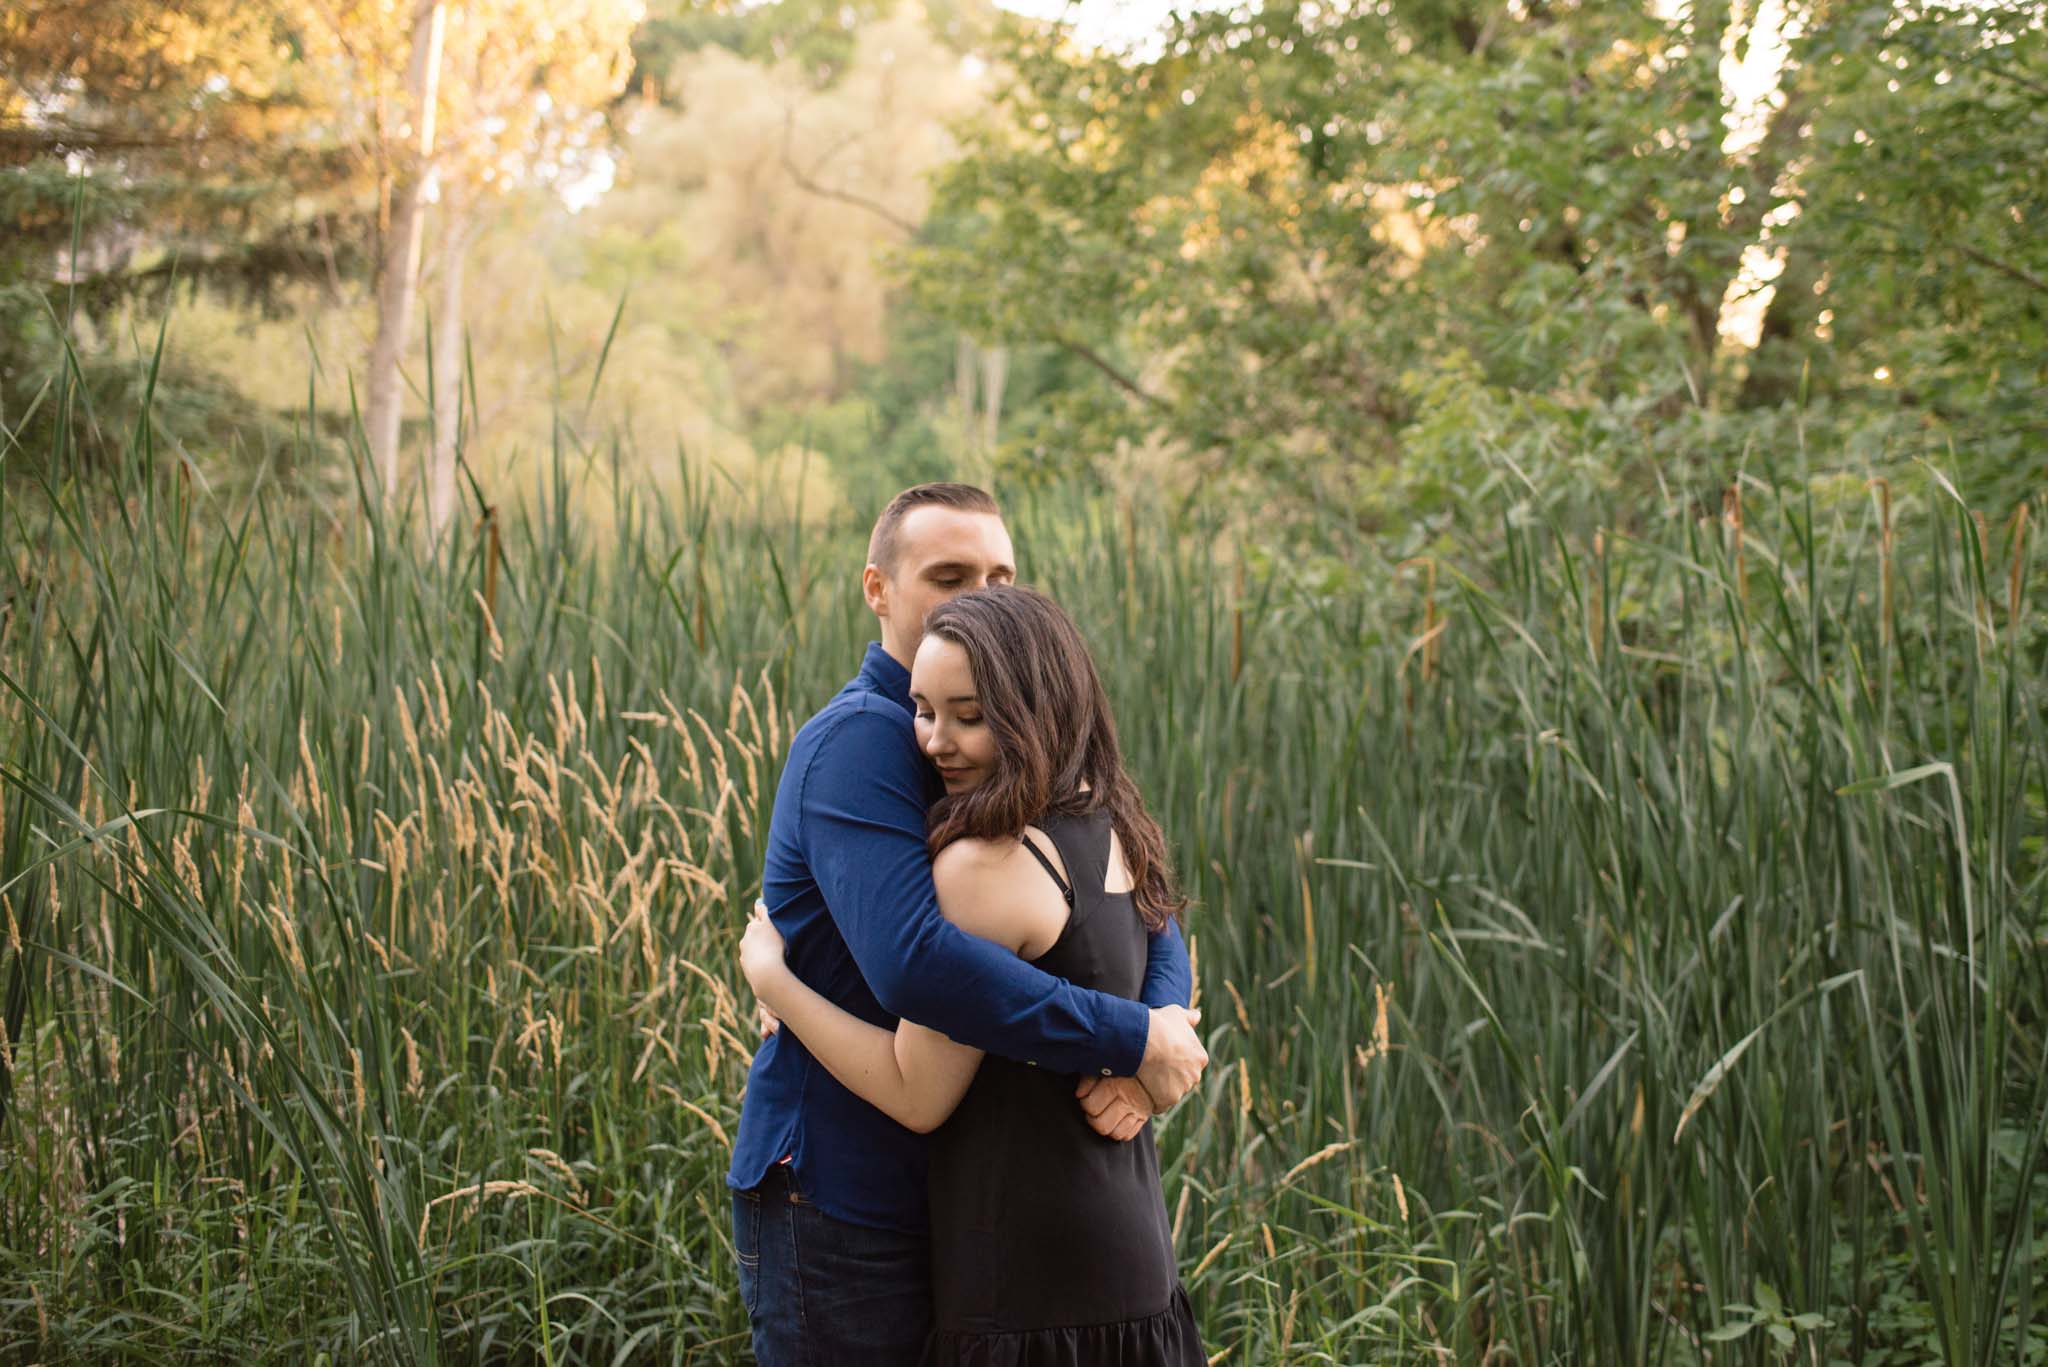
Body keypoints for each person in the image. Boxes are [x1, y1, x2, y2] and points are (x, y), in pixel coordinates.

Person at [727, 484, 1207, 1365]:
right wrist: (1132, 1035)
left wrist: (1152, 1043)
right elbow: (919, 962)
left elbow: (1148, 910)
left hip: (961, 1199)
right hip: (845, 1193)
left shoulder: (1014, 755)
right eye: (950, 575)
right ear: (878, 588)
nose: (980, 593)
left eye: (1000, 573)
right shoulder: (866, 742)